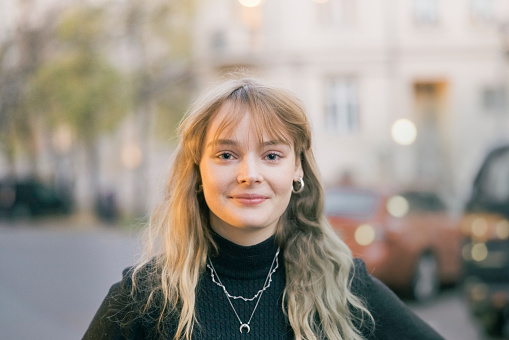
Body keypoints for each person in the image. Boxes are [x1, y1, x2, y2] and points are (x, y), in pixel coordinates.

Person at [83, 78, 445, 340]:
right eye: (226, 155)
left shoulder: (343, 285)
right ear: (198, 169)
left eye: (272, 155)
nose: (249, 175)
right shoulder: (144, 297)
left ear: (296, 169)